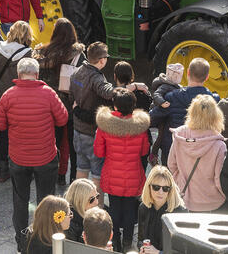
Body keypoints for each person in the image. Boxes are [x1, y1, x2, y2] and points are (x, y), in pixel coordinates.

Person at [0, 56, 69, 249]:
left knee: (20, 200)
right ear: (36, 74)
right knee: (47, 202)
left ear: (19, 74)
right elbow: (62, 119)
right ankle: (45, 240)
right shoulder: (48, 93)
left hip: (19, 158)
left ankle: (21, 241)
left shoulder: (8, 95)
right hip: (45, 157)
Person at [94, 88, 151, 252]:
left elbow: (98, 152)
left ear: (115, 105)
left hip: (112, 173)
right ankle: (127, 242)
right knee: (129, 210)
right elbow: (144, 151)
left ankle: (115, 242)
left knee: (114, 208)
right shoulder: (140, 127)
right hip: (134, 173)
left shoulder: (105, 125)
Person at [36, 18, 84, 184]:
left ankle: (56, 175)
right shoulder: (78, 54)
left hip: (50, 104)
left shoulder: (43, 53)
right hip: (70, 104)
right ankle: (72, 177)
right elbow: (82, 80)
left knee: (53, 142)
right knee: (72, 144)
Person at [0, 20, 35, 180]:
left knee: (4, 134)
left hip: (0, 98)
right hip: (22, 100)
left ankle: (3, 170)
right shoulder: (28, 54)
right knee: (22, 134)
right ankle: (22, 168)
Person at [166, 94, 227, 213]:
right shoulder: (219, 145)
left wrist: (180, 181)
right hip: (210, 201)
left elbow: (171, 165)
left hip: (183, 197)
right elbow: (218, 178)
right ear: (216, 115)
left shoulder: (180, 136)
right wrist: (224, 196)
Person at [155, 58, 220, 159]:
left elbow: (152, 118)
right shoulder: (214, 101)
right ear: (207, 77)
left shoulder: (171, 97)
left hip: (173, 148)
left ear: (188, 72)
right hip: (200, 151)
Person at [70, 41, 115, 185]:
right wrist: (128, 88)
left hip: (77, 131)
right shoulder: (96, 77)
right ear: (102, 60)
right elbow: (107, 92)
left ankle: (78, 203)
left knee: (81, 168)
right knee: (97, 174)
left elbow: (72, 97)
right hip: (91, 133)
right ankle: (97, 205)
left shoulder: (76, 72)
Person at [137, 166, 183, 254]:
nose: (160, 192)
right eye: (156, 187)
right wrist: (142, 249)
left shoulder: (179, 212)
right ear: (149, 187)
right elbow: (140, 239)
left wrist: (159, 253)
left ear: (170, 190)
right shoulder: (143, 208)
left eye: (165, 188)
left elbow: (183, 250)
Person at [64, 179, 99, 243]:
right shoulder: (68, 225)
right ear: (80, 201)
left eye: (97, 196)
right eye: (92, 199)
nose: (96, 202)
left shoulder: (94, 214)